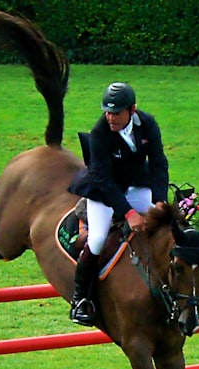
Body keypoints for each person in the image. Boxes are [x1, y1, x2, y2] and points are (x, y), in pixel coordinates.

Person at [67, 82, 170, 326]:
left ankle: (169, 288)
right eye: (108, 111)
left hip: (135, 185)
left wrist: (160, 201)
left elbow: (158, 164)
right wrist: (129, 213)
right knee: (98, 239)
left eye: (116, 112)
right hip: (105, 191)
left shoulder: (148, 124)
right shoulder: (101, 132)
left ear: (132, 110)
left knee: (164, 224)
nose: (110, 117)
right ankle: (80, 300)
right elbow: (104, 179)